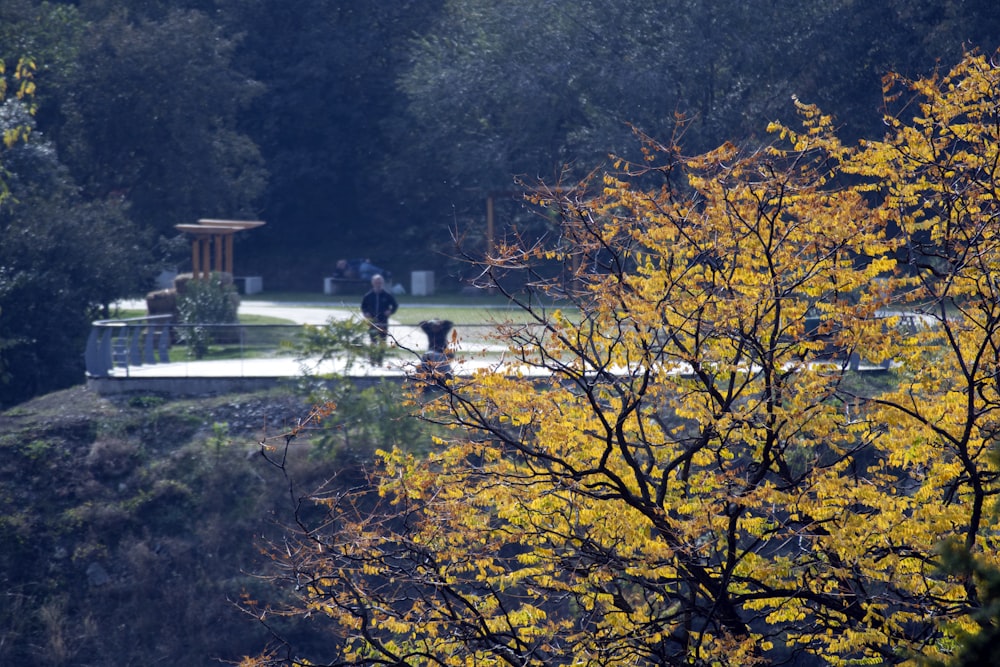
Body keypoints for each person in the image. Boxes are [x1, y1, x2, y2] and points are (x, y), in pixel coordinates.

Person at [360, 274, 398, 345]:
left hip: (383, 321)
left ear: (382, 283)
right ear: (373, 283)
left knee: (382, 341)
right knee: (373, 341)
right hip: (372, 322)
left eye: (379, 282)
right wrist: (366, 313)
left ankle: (381, 355)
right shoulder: (368, 296)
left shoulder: (387, 295)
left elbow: (395, 305)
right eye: (376, 282)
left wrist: (390, 311)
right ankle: (373, 356)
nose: (378, 284)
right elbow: (363, 306)